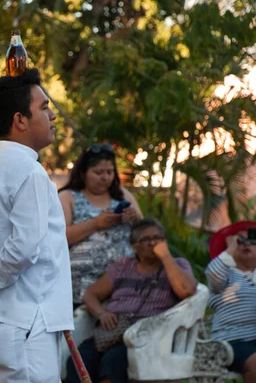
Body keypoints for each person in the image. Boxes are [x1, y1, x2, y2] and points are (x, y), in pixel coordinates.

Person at [0, 68, 74, 383]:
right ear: (20, 120)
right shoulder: (30, 170)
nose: (52, 116)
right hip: (26, 319)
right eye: (44, 108)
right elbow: (24, 247)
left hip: (3, 319)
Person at [66, 218, 197, 383]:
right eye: (146, 239)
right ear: (135, 247)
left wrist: (166, 257)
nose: (153, 243)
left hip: (147, 337)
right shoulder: (123, 266)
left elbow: (187, 290)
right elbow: (90, 294)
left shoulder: (177, 265)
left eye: (158, 238)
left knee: (113, 363)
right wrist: (102, 313)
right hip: (111, 331)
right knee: (79, 360)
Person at [59, 145, 143, 307]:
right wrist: (95, 224)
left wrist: (137, 219)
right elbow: (58, 238)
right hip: (79, 287)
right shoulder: (67, 197)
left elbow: (146, 233)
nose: (105, 178)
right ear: (84, 173)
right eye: (98, 172)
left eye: (109, 172)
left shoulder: (122, 195)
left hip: (124, 285)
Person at [206, 223, 256, 383]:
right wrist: (232, 248)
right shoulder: (225, 273)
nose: (247, 243)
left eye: (252, 240)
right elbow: (214, 274)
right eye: (241, 240)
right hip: (230, 342)